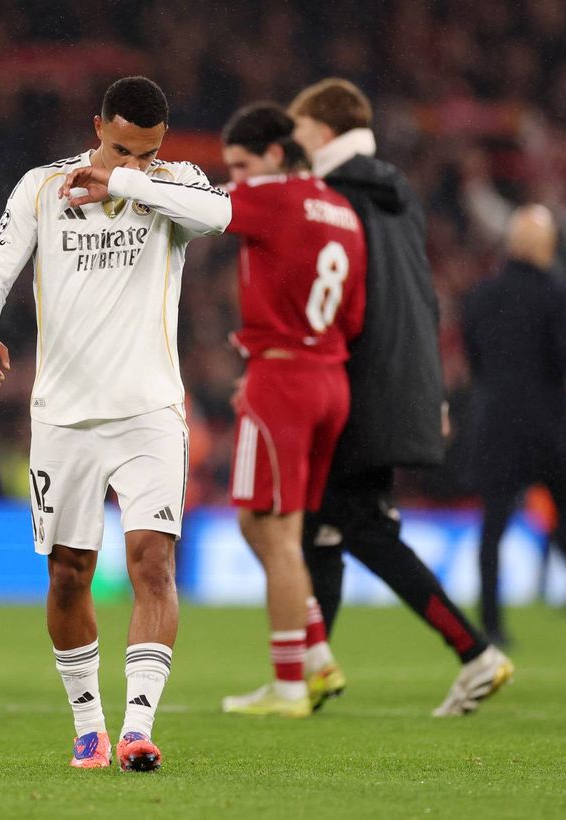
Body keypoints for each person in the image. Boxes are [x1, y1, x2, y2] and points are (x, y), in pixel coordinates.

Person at [0, 76, 230, 771]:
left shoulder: (176, 184)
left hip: (149, 413)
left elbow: (221, 216)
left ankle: (139, 726)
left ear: (161, 146)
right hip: (64, 417)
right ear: (95, 126)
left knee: (152, 561)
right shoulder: (42, 186)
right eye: (117, 148)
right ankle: (89, 724)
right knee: (68, 574)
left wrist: (130, 183)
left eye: (145, 152)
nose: (130, 161)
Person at [288, 78, 513, 716]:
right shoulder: (396, 193)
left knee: (359, 529)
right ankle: (311, 676)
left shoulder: (332, 197)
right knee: (326, 526)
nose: (295, 145)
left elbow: (348, 299)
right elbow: (417, 295)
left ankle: (475, 653)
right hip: (400, 382)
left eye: (302, 133)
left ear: (325, 134)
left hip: (356, 386)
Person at [215, 104, 365, 718]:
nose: (235, 180)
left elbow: (207, 211)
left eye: (242, 166)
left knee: (274, 535)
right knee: (272, 528)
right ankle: (317, 658)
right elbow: (353, 317)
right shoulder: (344, 212)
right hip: (330, 377)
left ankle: (288, 687)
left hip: (283, 379)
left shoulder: (274, 197)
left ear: (277, 155)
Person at [462, 205, 566, 647]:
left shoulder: (481, 294)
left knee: (493, 527)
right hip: (548, 427)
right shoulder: (552, 292)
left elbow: (474, 359)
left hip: (497, 422)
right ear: (545, 247)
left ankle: (491, 625)